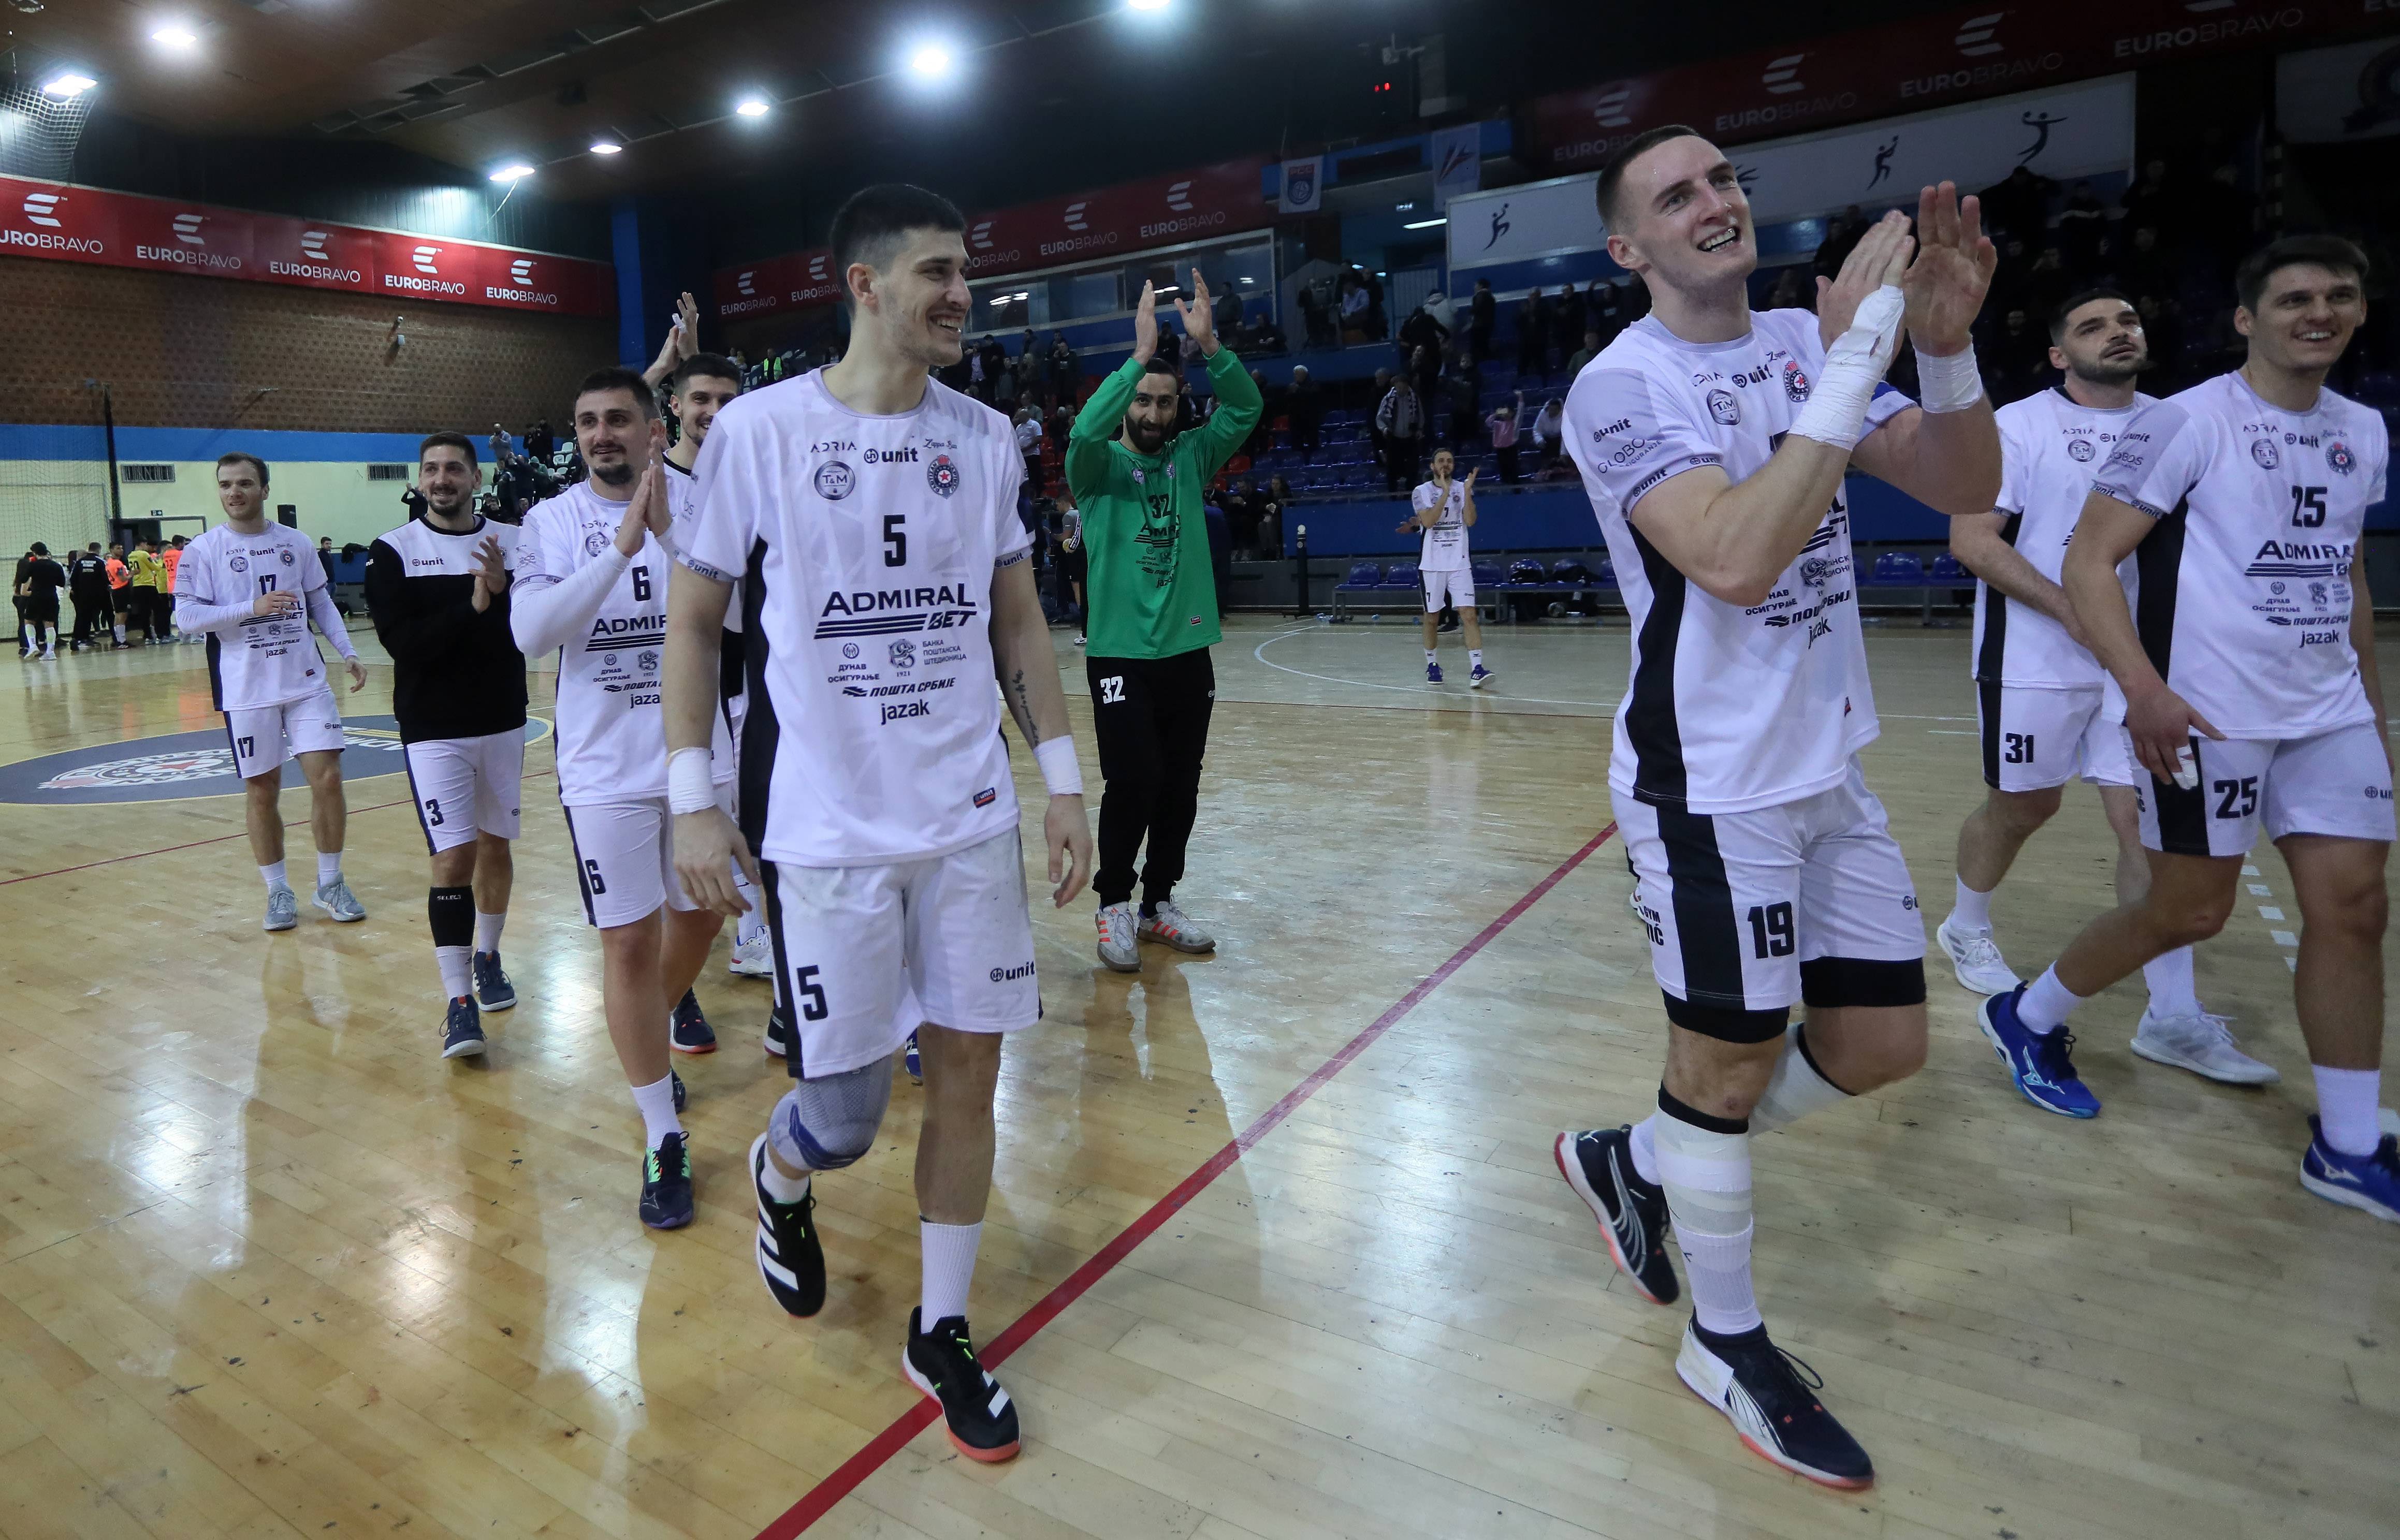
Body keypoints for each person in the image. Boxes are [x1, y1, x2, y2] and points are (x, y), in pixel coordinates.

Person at [1552, 126, 2001, 1488]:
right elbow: (1738, 557)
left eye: (1723, 178)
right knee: (1728, 1063)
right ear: (1627, 246)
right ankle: (1727, 1343)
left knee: (1878, 1043)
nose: (1715, 202)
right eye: (1675, 194)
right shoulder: (1619, 385)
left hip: (1826, 762)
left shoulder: (1803, 349)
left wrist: (1937, 346)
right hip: (1710, 783)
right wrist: (1856, 348)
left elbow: (1969, 488)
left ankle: (1635, 1155)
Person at [661, 183, 1092, 1464]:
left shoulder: (986, 437)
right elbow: (694, 623)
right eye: (938, 273)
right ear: (863, 285)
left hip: (967, 821)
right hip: (830, 837)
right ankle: (780, 1176)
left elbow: (1018, 620)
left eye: (968, 272)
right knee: (844, 1119)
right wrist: (695, 807)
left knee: (970, 1070)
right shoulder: (759, 433)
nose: (962, 294)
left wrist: (1063, 780)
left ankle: (942, 1327)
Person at [1979, 236, 2400, 1220]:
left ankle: (2346, 1144)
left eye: (2339, 296)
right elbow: (2088, 562)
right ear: (2247, 319)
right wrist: (2143, 690)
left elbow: (2348, 578)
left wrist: (2374, 713)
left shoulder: (2364, 430)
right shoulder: (2184, 422)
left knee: (2357, 909)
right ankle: (2029, 1014)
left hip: (2327, 709)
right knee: (2188, 910)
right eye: (2294, 297)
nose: (2319, 312)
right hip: (2206, 711)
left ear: (2361, 313)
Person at [1936, 289, 2265, 1082]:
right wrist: (2070, 609)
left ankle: (2171, 1014)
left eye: (2125, 322)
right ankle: (1963, 925)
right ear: (2057, 354)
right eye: (2091, 326)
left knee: (2143, 822)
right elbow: (1971, 541)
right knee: (2023, 808)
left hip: (2139, 662)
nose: (2116, 334)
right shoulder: (2017, 424)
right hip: (2033, 657)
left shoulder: (2179, 423)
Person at [510, 368, 736, 1226]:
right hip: (604, 771)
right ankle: (660, 1133)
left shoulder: (705, 504)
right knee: (629, 945)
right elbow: (534, 633)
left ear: (653, 429)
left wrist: (674, 540)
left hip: (695, 759)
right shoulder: (551, 522)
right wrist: (620, 550)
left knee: (705, 916)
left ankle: (652, 1021)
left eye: (617, 420)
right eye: (586, 421)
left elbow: (742, 618)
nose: (601, 433)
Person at [1068, 269, 1259, 973]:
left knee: (1180, 782)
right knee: (1134, 778)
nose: (1152, 413)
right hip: (1119, 655)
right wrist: (1136, 355)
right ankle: (1113, 901)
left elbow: (1243, 409)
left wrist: (1209, 346)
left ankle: (1158, 904)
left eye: (1164, 402)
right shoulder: (1094, 467)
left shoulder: (1190, 456)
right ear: (1127, 405)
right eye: (1143, 401)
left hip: (1186, 651)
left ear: (1180, 407)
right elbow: (1085, 427)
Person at [362, 433, 526, 1059]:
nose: (441, 478)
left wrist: (505, 593)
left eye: (453, 467)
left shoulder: (514, 541)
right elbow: (405, 644)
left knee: (496, 846)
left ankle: (487, 956)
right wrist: (475, 601)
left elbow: (533, 626)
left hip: (505, 719)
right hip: (434, 729)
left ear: (475, 476)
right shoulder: (393, 550)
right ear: (420, 479)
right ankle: (458, 1000)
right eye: (431, 469)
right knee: (453, 857)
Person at [175, 453, 371, 929]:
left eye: (244, 483)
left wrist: (347, 651)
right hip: (245, 690)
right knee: (263, 790)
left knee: (327, 778)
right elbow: (186, 619)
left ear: (265, 489)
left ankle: (330, 882)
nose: (233, 492)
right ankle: (278, 891)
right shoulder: (203, 551)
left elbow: (320, 601)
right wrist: (252, 607)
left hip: (305, 682)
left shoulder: (296, 543)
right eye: (225, 485)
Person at [660, 350, 773, 1009]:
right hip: (672, 690)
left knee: (754, 821)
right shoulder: (652, 481)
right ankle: (676, 996)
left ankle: (755, 937)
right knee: (690, 846)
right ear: (674, 405)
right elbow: (690, 610)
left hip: (748, 676)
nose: (714, 412)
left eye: (728, 399)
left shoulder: (750, 475)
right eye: (700, 398)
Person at [1411, 450, 1491, 686]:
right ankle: (1432, 665)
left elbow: (1471, 521)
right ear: (1433, 465)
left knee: (1469, 614)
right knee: (1432, 618)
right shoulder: (1421, 492)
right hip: (1432, 564)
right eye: (1441, 461)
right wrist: (1445, 493)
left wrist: (1466, 493)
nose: (1446, 465)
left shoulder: (1462, 487)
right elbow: (1428, 521)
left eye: (1450, 461)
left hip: (1459, 562)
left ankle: (1477, 668)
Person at [1376, 375, 1421, 493]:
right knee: (1391, 470)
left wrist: (1420, 429)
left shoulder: (1414, 399)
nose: (1401, 389)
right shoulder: (1388, 399)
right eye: (1398, 386)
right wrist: (1384, 429)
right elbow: (1380, 418)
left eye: (1403, 386)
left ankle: (1410, 494)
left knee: (1413, 469)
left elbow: (1420, 416)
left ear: (1407, 386)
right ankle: (1393, 495)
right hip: (1394, 439)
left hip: (1410, 438)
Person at [17, 543, 63, 658]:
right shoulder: (56, 566)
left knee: (29, 621)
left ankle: (33, 646)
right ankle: (51, 652)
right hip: (52, 596)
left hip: (37, 596)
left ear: (35, 553)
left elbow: (23, 579)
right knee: (50, 624)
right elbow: (61, 583)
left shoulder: (33, 565)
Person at [67, 542, 108, 651]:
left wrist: (76, 590)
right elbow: (106, 579)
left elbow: (73, 578)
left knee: (81, 616)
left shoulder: (79, 562)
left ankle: (79, 638)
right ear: (99, 550)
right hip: (95, 595)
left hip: (81, 595)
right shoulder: (100, 562)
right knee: (91, 617)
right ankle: (83, 638)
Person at [127, 537, 168, 643]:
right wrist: (160, 560)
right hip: (148, 585)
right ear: (142, 544)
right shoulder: (144, 554)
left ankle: (148, 636)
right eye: (145, 544)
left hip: (137, 585)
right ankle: (161, 635)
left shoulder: (130, 555)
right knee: (158, 610)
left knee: (144, 612)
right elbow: (156, 568)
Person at [1488, 390, 1525, 483]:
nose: (1506, 414)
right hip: (1500, 451)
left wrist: (1520, 397)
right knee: (1503, 471)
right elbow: (1488, 422)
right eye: (1504, 412)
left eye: (1508, 412)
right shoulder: (1497, 424)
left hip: (1511, 449)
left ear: (1512, 413)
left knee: (1513, 471)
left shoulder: (1515, 424)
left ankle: (1516, 492)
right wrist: (1497, 413)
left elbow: (1520, 412)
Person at [105, 541, 131, 647]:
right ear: (112, 550)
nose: (121, 550)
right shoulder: (117, 563)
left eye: (121, 548)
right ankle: (122, 641)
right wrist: (132, 574)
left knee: (118, 615)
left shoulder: (109, 562)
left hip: (115, 589)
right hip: (121, 589)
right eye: (118, 548)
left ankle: (118, 639)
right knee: (122, 615)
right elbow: (123, 578)